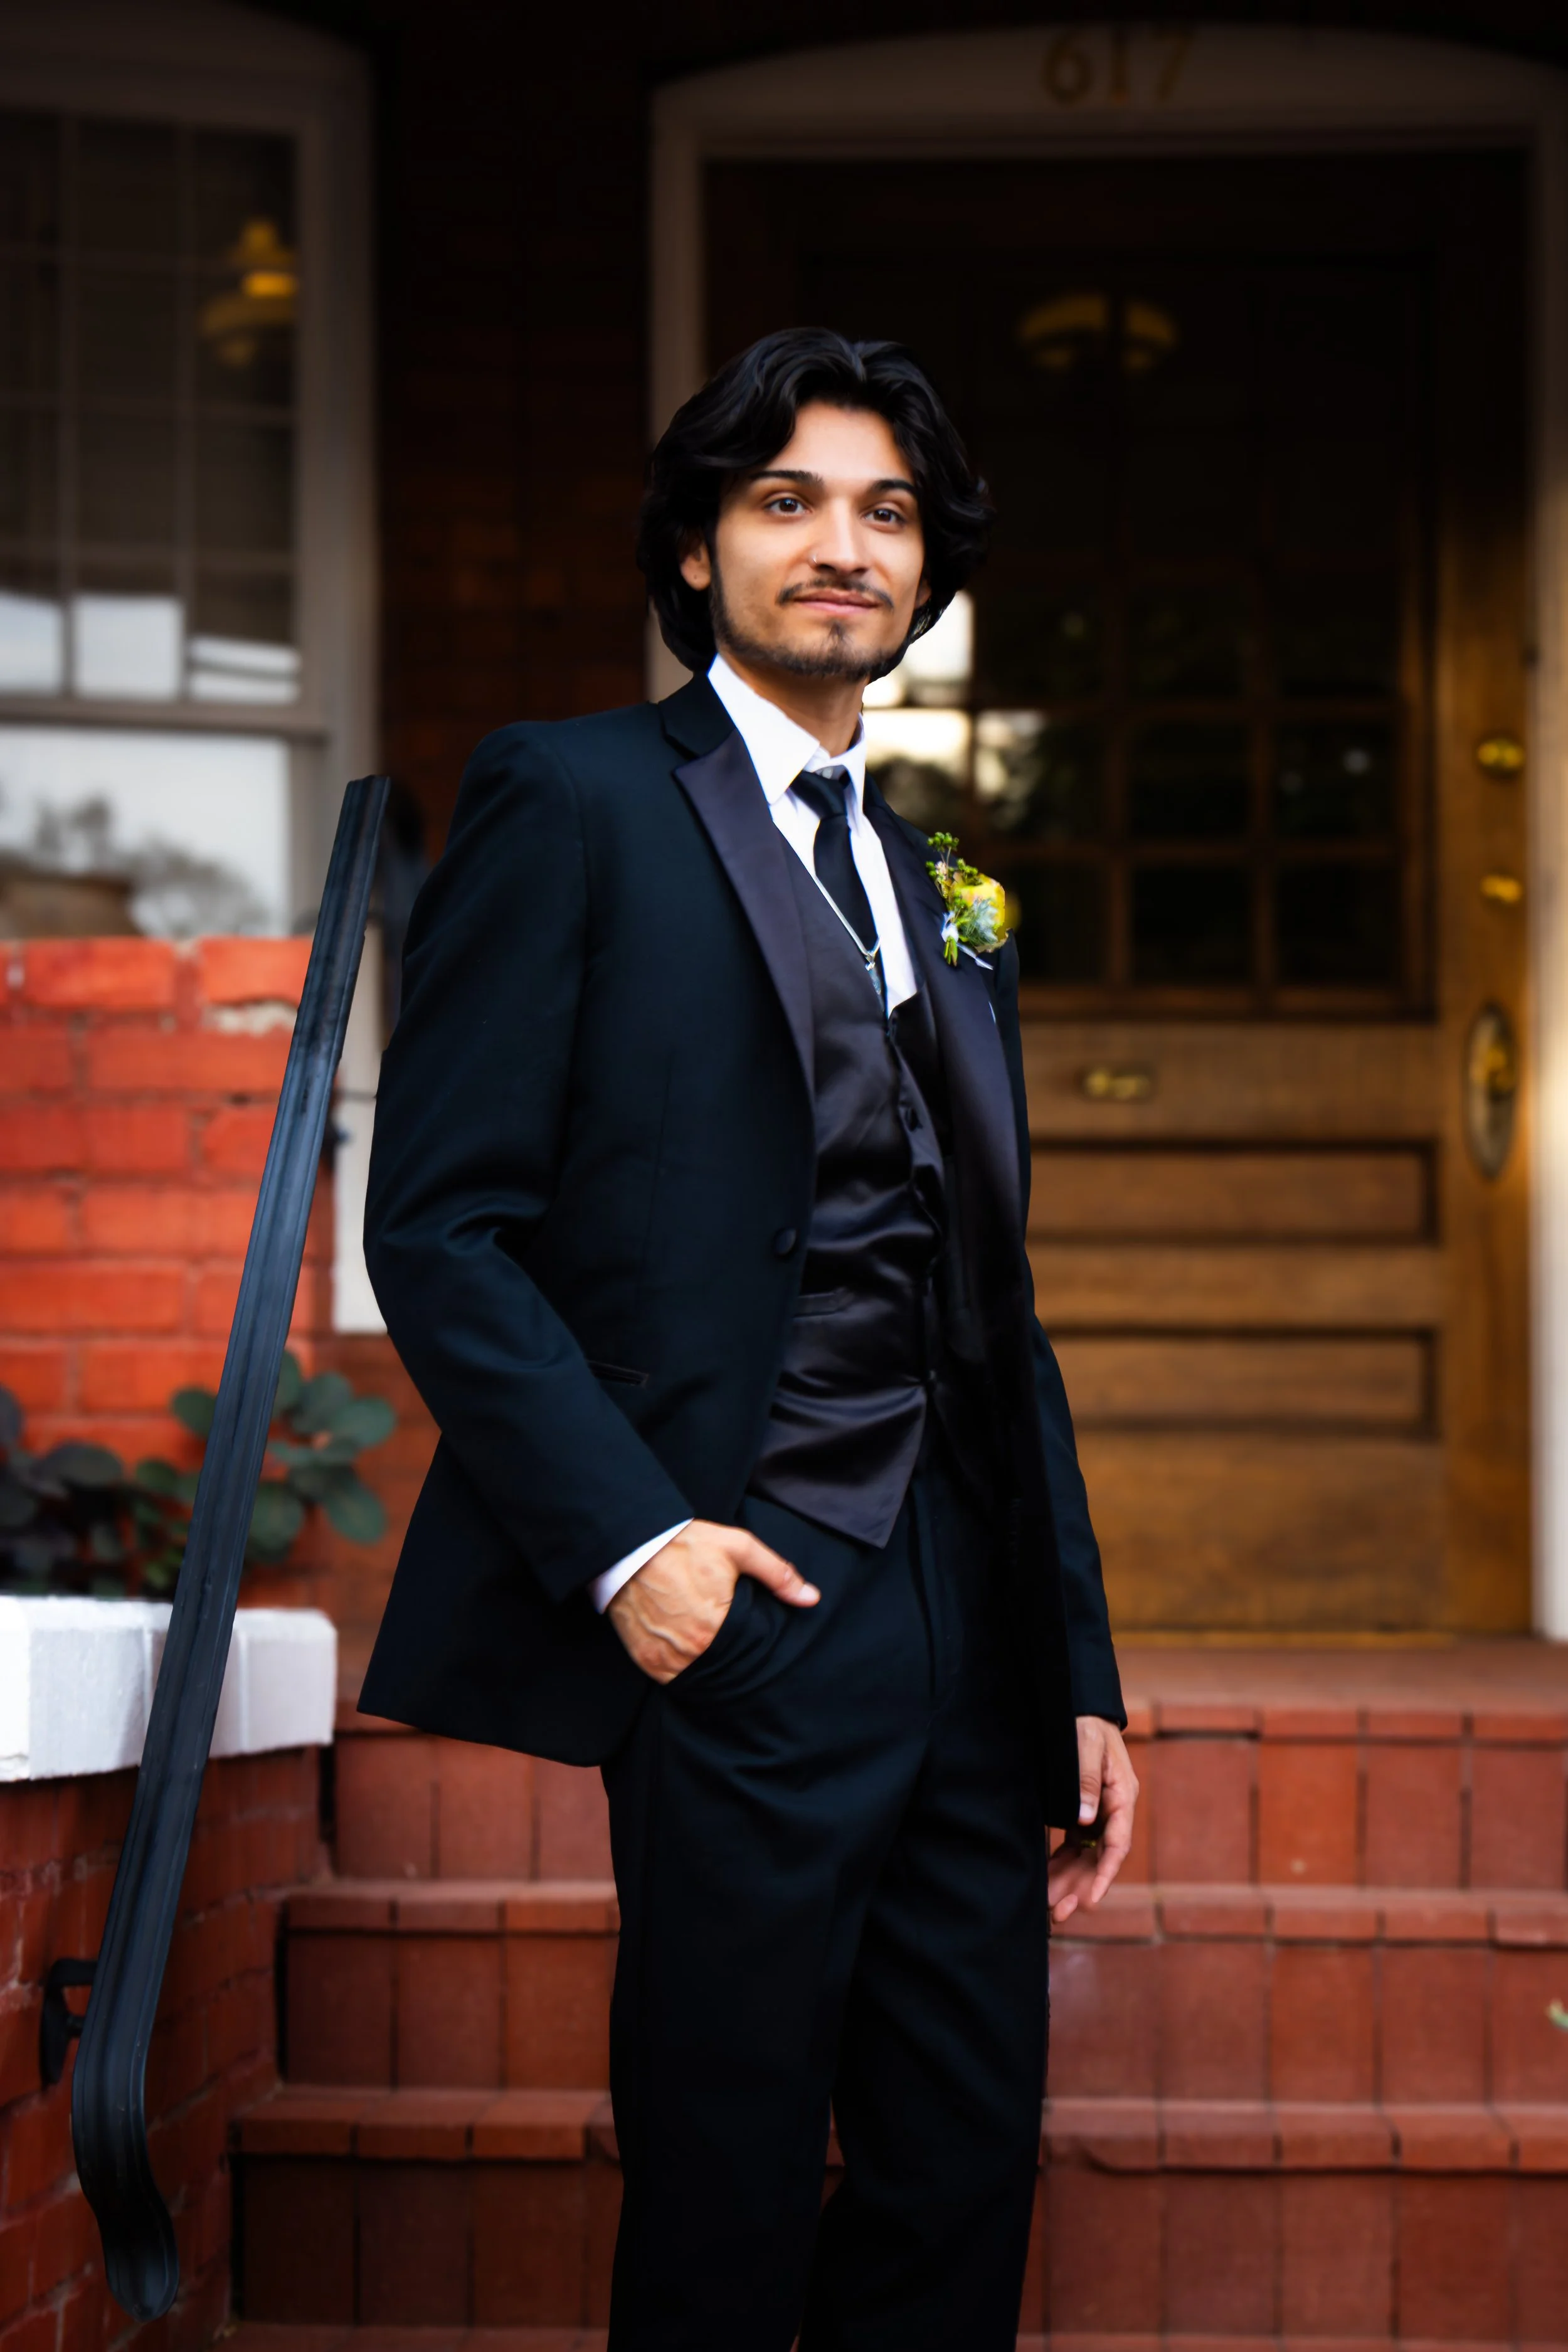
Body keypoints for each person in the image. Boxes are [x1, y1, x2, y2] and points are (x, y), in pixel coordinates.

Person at [359, 326, 1138, 2352]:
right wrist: (636, 1548)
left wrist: (1075, 1663)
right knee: (723, 2178)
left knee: (960, 2170)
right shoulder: (572, 796)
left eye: (886, 511)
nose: (841, 545)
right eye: (786, 500)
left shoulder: (940, 880)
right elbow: (437, 1225)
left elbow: (991, 1302)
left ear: (926, 568)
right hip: (742, 1585)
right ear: (699, 548)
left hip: (961, 1616)